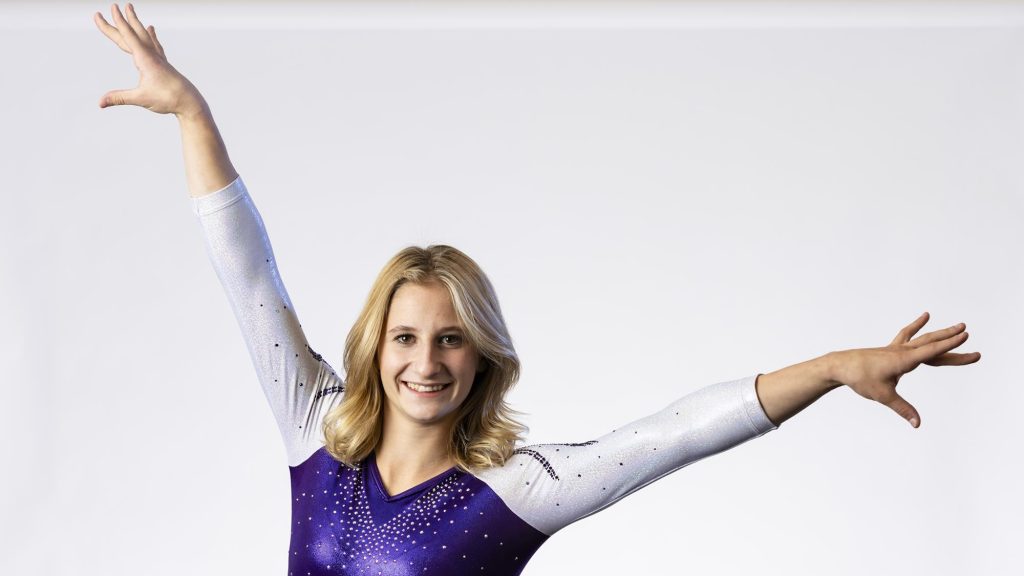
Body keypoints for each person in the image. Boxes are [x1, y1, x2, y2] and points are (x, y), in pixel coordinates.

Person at [95, 4, 982, 575]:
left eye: (450, 339)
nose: (426, 362)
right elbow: (247, 268)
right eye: (406, 337)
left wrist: (829, 368)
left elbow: (673, 435)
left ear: (483, 359)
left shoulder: (520, 487)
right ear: (377, 346)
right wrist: (191, 113)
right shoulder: (314, 430)